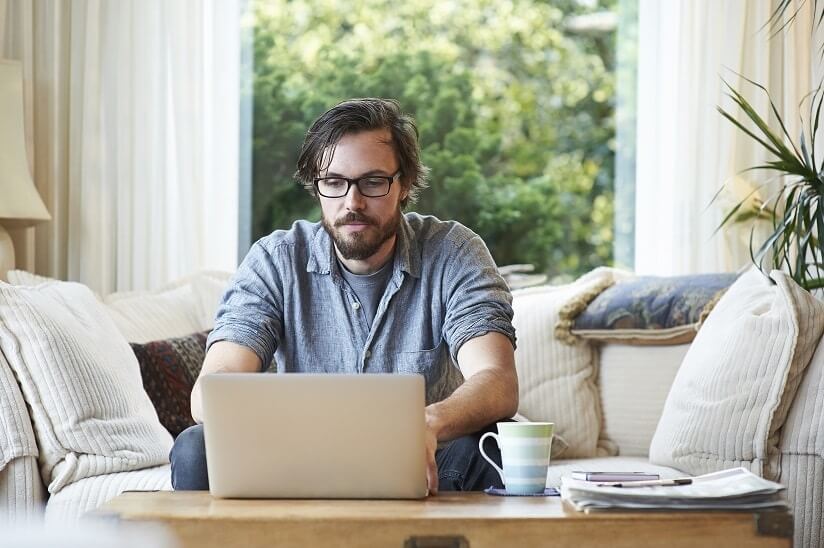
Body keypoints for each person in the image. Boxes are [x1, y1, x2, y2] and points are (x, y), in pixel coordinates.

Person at [170, 98, 518, 495]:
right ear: (317, 188)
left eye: (372, 182)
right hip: (296, 460)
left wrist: (427, 423)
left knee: (492, 446)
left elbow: (496, 380)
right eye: (334, 183)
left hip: (430, 460)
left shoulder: (454, 252)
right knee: (196, 448)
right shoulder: (276, 260)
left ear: (403, 184)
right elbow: (216, 385)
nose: (352, 203)